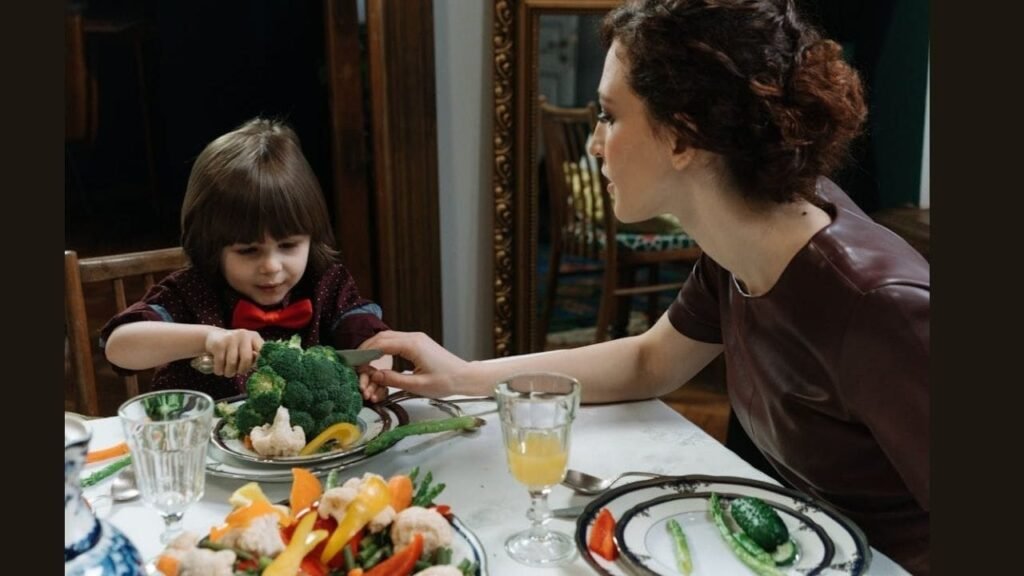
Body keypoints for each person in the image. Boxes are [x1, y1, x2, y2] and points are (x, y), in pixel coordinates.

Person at [361, 1, 929, 573]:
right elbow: (650, 361)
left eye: (609, 116)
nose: (594, 143)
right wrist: (464, 376)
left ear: (682, 137)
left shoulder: (880, 306)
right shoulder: (743, 241)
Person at [102, 117, 392, 400]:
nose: (271, 266)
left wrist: (374, 370)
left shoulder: (327, 283)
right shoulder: (191, 291)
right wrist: (208, 338)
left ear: (312, 237)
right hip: (202, 432)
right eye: (248, 250)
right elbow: (118, 346)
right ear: (211, 247)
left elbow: (376, 343)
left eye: (288, 245)